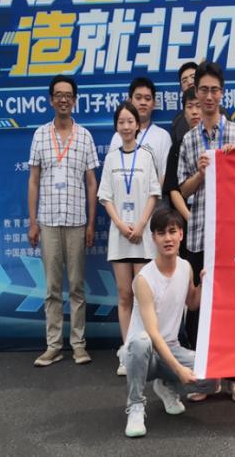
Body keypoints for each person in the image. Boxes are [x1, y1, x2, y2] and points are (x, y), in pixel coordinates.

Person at [178, 61, 235, 402]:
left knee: (233, 307)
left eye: (214, 90)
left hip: (232, 237)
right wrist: (200, 173)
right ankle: (206, 379)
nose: (209, 96)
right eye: (203, 90)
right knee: (198, 309)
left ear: (222, 94)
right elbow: (183, 189)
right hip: (198, 235)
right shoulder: (189, 139)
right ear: (196, 93)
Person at [122, 208, 217, 438]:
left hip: (171, 348)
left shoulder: (185, 267)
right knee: (141, 341)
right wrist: (179, 370)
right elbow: (153, 334)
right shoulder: (144, 279)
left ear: (181, 235)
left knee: (212, 380)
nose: (168, 238)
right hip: (144, 352)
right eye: (161, 233)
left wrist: (203, 284)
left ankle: (166, 385)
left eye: (172, 232)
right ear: (153, 238)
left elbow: (192, 303)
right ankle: (136, 406)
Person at [27, 75, 99, 367]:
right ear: (51, 100)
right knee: (52, 289)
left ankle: (78, 345)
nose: (63, 99)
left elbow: (92, 182)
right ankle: (54, 345)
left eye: (68, 95)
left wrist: (91, 223)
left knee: (77, 287)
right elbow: (33, 180)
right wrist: (33, 222)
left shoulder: (85, 136)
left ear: (75, 100)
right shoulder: (40, 135)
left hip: (76, 222)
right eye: (58, 94)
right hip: (48, 221)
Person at [99, 101, 162, 376]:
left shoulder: (146, 156)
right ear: (117, 126)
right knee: (125, 294)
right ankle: (127, 353)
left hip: (142, 235)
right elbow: (106, 197)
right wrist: (120, 224)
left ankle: (144, 352)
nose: (126, 126)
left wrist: (141, 224)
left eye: (130, 121)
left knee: (142, 297)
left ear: (137, 125)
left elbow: (153, 194)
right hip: (120, 235)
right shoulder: (111, 158)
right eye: (121, 122)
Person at [109, 77, 171, 193]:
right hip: (121, 200)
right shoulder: (118, 136)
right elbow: (110, 174)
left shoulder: (163, 136)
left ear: (154, 104)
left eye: (147, 98)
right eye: (138, 98)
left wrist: (151, 200)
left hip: (153, 202)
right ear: (130, 101)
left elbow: (165, 174)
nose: (143, 102)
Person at [164, 88, 201, 227]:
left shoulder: (215, 143)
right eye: (189, 107)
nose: (194, 111)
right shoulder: (177, 147)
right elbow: (173, 189)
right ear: (184, 113)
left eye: (198, 106)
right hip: (185, 221)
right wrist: (190, 218)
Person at [168, 61, 200, 146]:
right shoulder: (177, 122)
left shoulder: (218, 113)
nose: (190, 82)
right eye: (184, 80)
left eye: (193, 77)